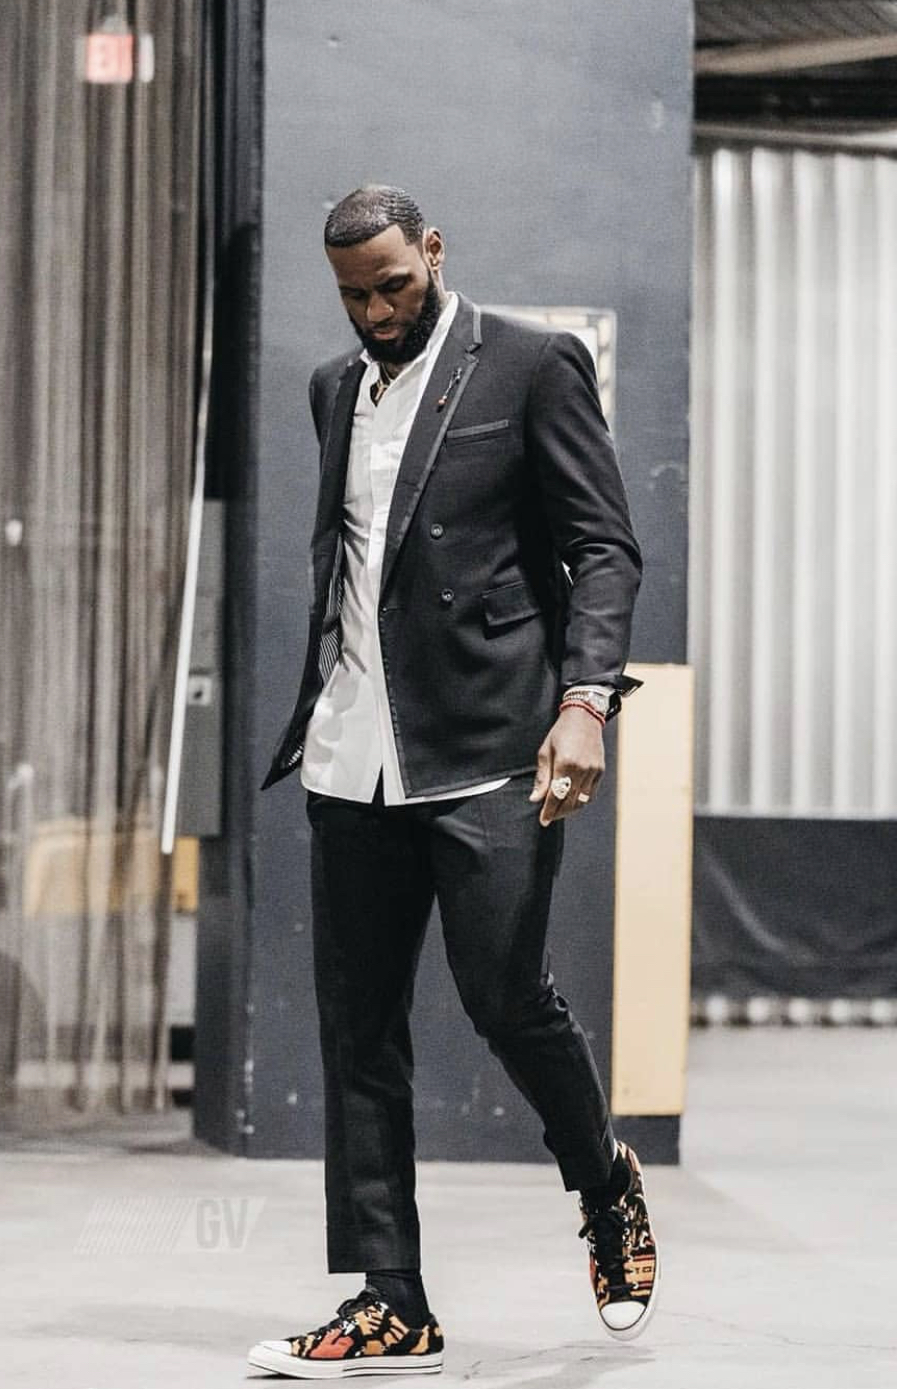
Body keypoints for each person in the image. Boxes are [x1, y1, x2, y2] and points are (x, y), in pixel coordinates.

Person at [249, 185, 657, 1379]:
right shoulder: (334, 387)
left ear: (433, 251)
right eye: (355, 297)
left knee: (505, 997)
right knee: (359, 1030)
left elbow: (603, 547)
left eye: (394, 285)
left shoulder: (530, 364)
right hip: (353, 754)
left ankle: (604, 1182)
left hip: (489, 748)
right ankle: (392, 1301)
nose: (378, 311)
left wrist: (585, 703)